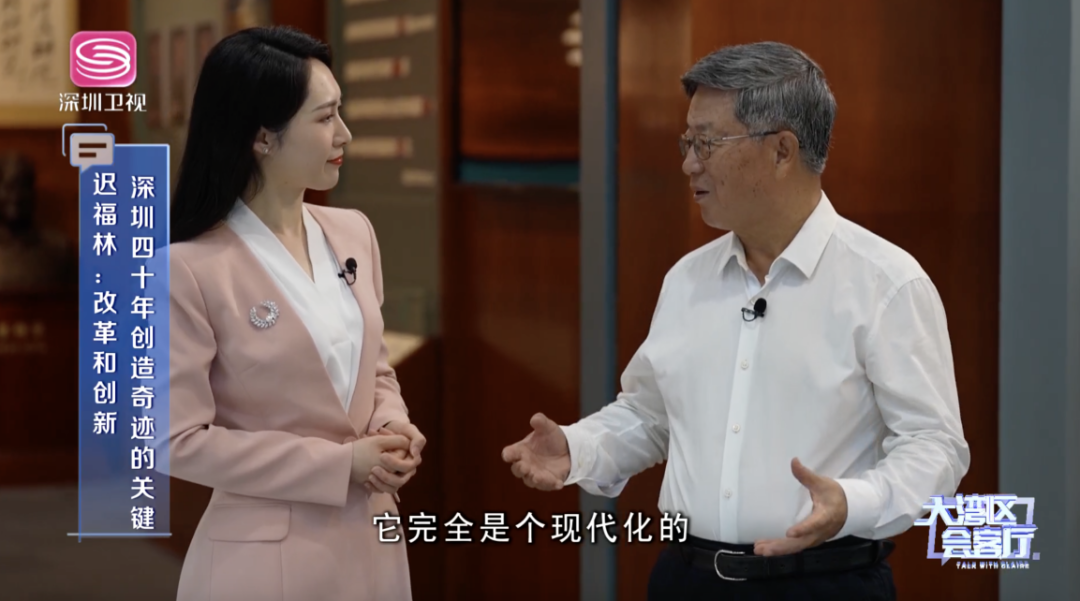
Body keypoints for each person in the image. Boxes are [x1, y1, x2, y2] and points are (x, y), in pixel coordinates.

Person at [502, 41, 969, 600]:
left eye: (707, 142)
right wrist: (577, 448)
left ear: (782, 150)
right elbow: (650, 415)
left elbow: (934, 446)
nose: (689, 163)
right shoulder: (688, 279)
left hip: (824, 583)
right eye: (687, 142)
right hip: (687, 579)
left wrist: (853, 502)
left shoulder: (885, 284)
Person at [165, 26, 426, 601]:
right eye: (325, 117)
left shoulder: (353, 232)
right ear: (263, 137)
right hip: (263, 559)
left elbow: (374, 369)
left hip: (373, 536)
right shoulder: (188, 268)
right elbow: (176, 440)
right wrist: (339, 465)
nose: (345, 133)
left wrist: (391, 424)